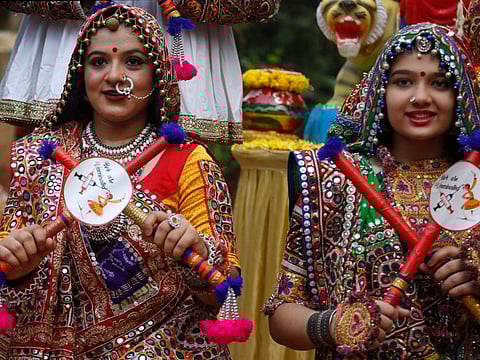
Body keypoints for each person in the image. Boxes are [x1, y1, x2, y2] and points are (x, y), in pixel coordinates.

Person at [0, 4, 239, 359]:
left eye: (133, 62)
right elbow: (7, 265)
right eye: (98, 62)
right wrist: (16, 264)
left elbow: (225, 287)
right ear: (80, 73)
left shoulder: (188, 161)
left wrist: (197, 253)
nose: (114, 76)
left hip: (163, 347)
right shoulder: (41, 155)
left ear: (157, 73)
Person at [264, 23, 480, 359]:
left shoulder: (476, 180)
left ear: (461, 96)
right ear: (380, 90)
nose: (420, 96)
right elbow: (281, 312)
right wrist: (333, 325)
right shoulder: (334, 179)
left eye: (439, 83)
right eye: (403, 81)